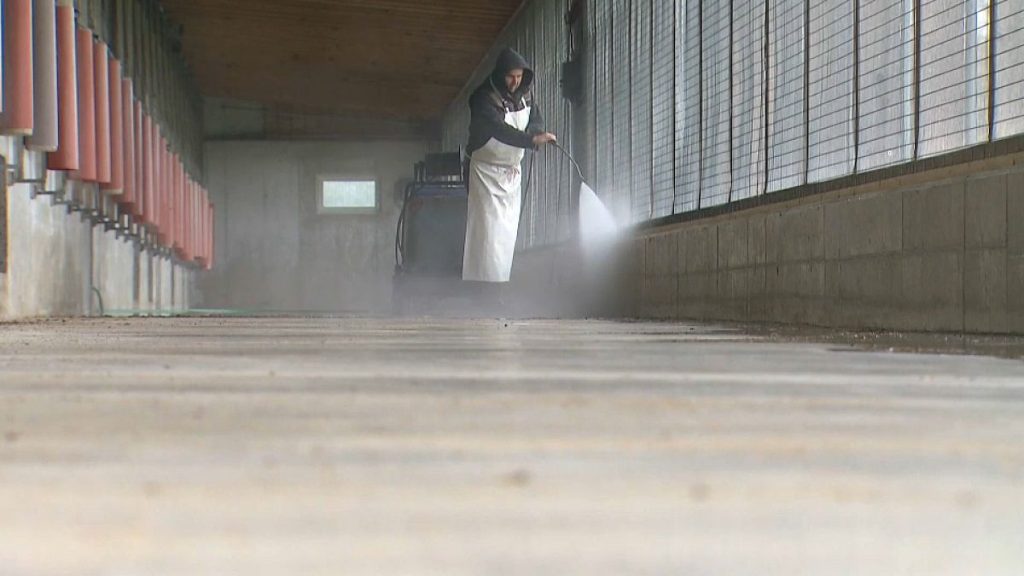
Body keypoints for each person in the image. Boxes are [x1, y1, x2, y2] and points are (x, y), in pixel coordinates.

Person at [463, 47, 557, 303]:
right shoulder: (483, 98)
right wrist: (530, 140)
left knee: (505, 235)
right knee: (486, 236)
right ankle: (481, 294)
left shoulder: (525, 95)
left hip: (510, 175)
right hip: (485, 174)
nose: (515, 82)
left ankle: (499, 290)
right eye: (510, 77)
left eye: (519, 77)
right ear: (500, 74)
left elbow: (535, 120)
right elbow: (499, 130)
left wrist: (535, 134)